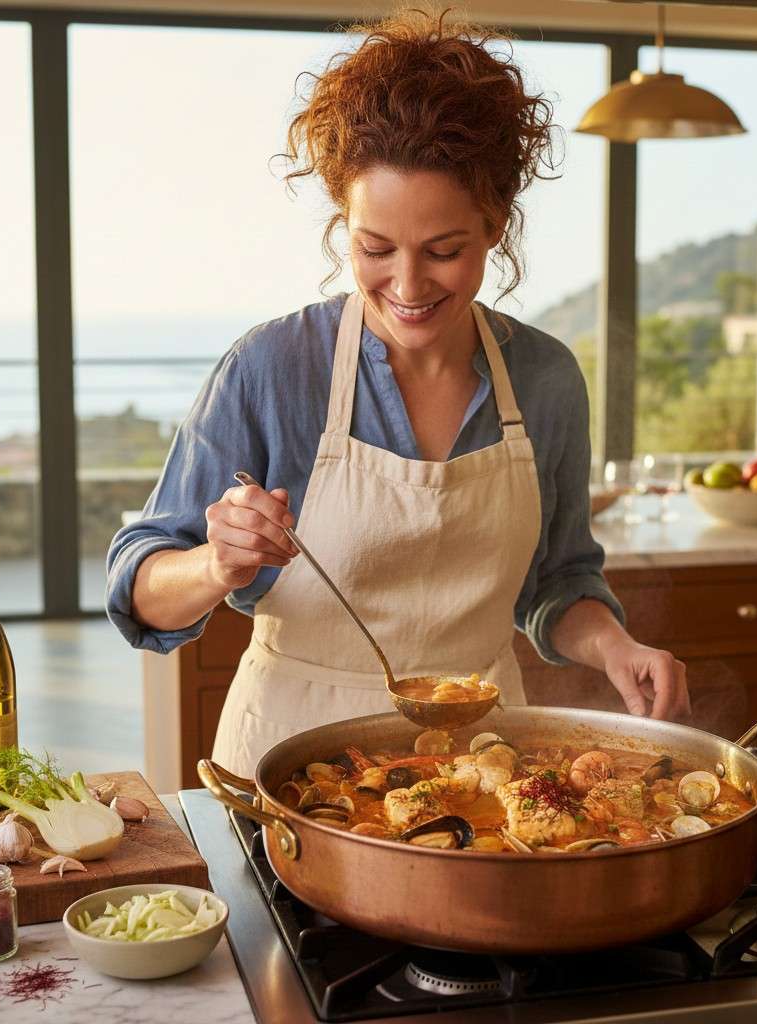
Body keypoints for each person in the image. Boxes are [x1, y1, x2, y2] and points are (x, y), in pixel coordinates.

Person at [106, 9, 691, 777]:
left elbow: (556, 584)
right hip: (287, 767)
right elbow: (140, 588)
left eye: (444, 250)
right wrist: (217, 566)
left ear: (495, 228)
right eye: (375, 249)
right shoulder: (272, 367)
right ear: (343, 227)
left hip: (483, 762)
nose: (408, 286)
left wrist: (614, 644)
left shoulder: (544, 379)